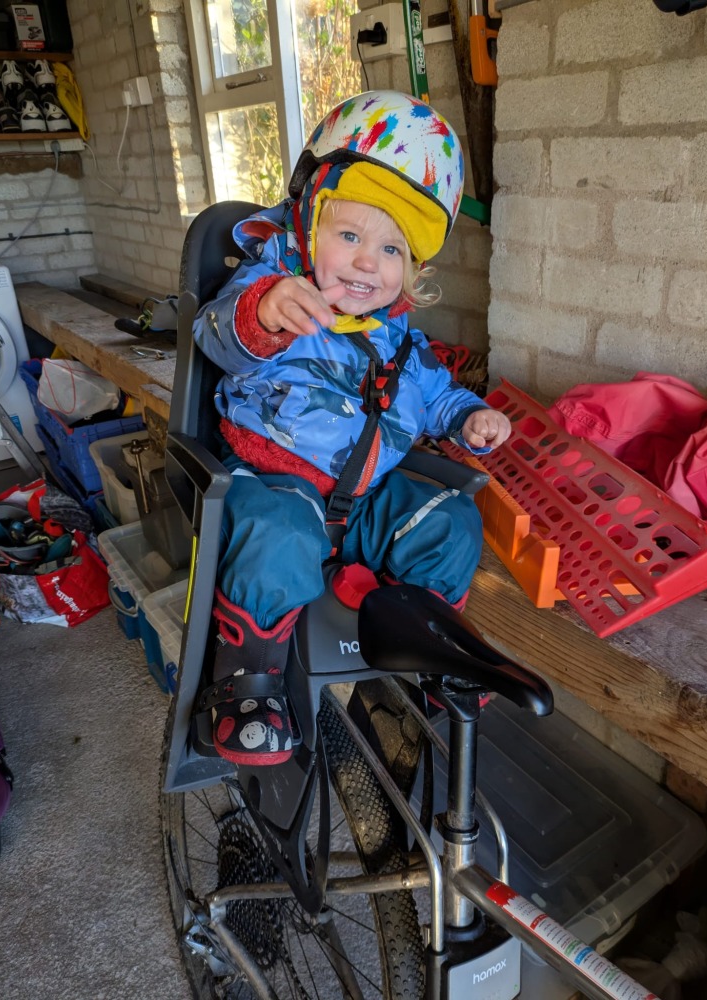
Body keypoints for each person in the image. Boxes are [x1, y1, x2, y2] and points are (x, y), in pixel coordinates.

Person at [193, 90, 512, 766]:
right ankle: (247, 683)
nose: (369, 262)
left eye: (392, 248)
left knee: (452, 521)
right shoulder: (273, 292)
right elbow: (214, 337)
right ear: (305, 222)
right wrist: (266, 312)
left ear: (411, 272)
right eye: (350, 235)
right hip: (275, 484)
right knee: (278, 539)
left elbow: (435, 398)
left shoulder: (399, 341)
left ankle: (427, 654)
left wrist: (467, 417)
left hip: (365, 501)